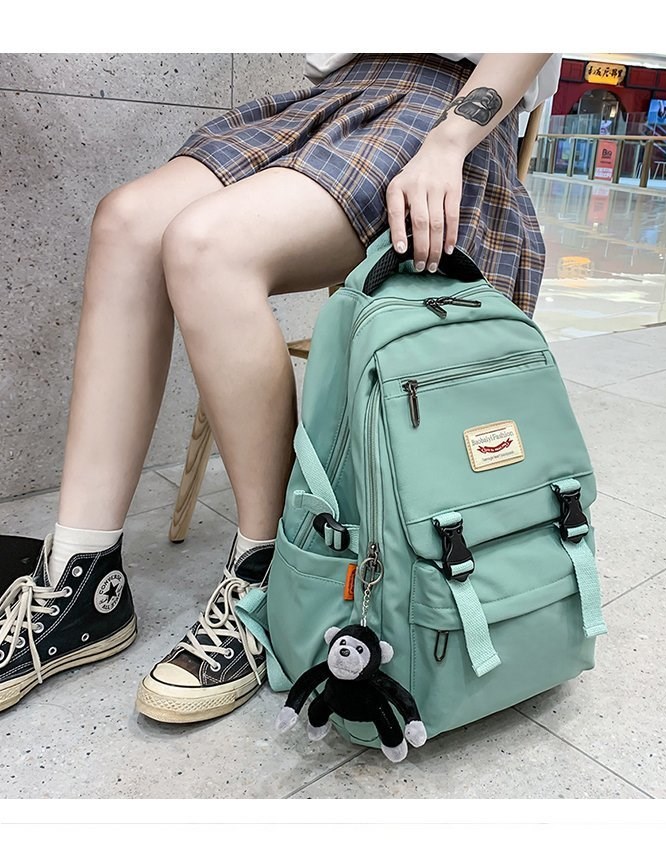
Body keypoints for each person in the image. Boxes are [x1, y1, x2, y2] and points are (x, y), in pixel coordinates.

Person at [0, 52, 560, 722]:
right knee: (125, 222)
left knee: (206, 246)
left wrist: (451, 139)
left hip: (446, 110)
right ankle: (81, 578)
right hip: (334, 99)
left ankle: (273, 577)